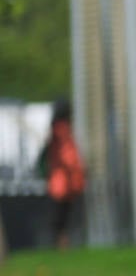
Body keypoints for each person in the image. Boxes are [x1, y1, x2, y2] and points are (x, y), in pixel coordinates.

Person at [43, 100, 85, 250]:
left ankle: (61, 243)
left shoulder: (57, 131)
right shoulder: (61, 131)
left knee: (61, 216)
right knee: (62, 216)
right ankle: (61, 244)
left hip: (62, 181)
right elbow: (67, 156)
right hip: (63, 181)